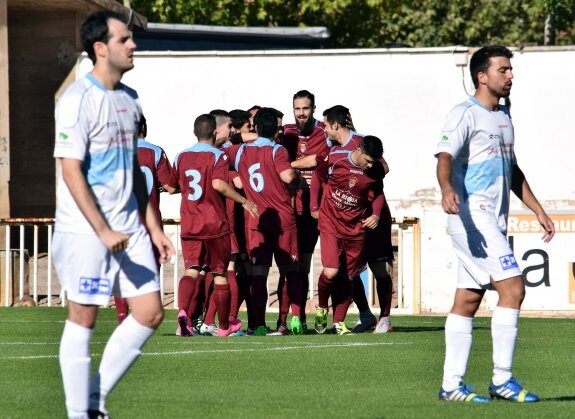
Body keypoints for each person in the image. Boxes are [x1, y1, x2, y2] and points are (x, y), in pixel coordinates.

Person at [52, 10, 175, 419]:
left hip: (129, 228)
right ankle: (79, 412)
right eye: (125, 39)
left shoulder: (130, 99)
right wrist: (102, 230)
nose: (133, 44)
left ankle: (93, 400)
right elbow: (70, 171)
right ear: (100, 48)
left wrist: (153, 226)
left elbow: (132, 172)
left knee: (150, 312)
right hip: (86, 230)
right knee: (83, 317)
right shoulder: (77, 100)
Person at [435, 45, 555, 403]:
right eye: (503, 70)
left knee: (468, 300)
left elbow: (512, 169)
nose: (510, 75)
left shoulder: (503, 117)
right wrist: (445, 189)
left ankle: (451, 385)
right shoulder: (463, 115)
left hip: (492, 221)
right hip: (471, 217)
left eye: (510, 70)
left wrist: (538, 209)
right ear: (481, 76)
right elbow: (444, 157)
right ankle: (502, 379)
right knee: (514, 288)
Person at [168, 114, 258, 337]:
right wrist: (244, 201)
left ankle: (183, 315)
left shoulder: (181, 156)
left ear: (195, 132)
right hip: (214, 223)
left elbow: (171, 187)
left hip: (190, 221)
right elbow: (218, 183)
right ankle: (225, 327)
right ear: (215, 132)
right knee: (220, 273)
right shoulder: (218, 156)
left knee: (191, 270)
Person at [226, 107, 304, 336]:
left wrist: (235, 177)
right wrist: (298, 177)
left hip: (255, 218)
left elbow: (223, 154)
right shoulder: (278, 150)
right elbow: (287, 176)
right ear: (276, 129)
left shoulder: (239, 152)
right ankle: (291, 321)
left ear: (256, 127)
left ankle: (258, 324)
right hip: (281, 219)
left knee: (258, 273)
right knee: (290, 270)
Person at [310, 135, 385, 335]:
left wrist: (376, 214)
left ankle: (338, 322)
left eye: (373, 162)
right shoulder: (336, 159)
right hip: (330, 222)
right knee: (332, 271)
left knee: (350, 276)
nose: (370, 166)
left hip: (356, 227)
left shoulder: (375, 171)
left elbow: (378, 193)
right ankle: (322, 308)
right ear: (359, 150)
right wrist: (314, 206)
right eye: (368, 160)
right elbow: (318, 177)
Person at [275, 90, 330, 333]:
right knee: (288, 267)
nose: (301, 113)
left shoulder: (323, 132)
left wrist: (288, 166)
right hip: (290, 208)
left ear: (314, 108)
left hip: (315, 210)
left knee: (306, 266)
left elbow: (317, 160)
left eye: (305, 108)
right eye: (297, 109)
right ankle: (283, 318)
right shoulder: (286, 132)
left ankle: (305, 315)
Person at [113, 114, 173, 325]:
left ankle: (122, 317)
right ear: (144, 127)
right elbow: (171, 186)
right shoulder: (156, 152)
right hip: (150, 221)